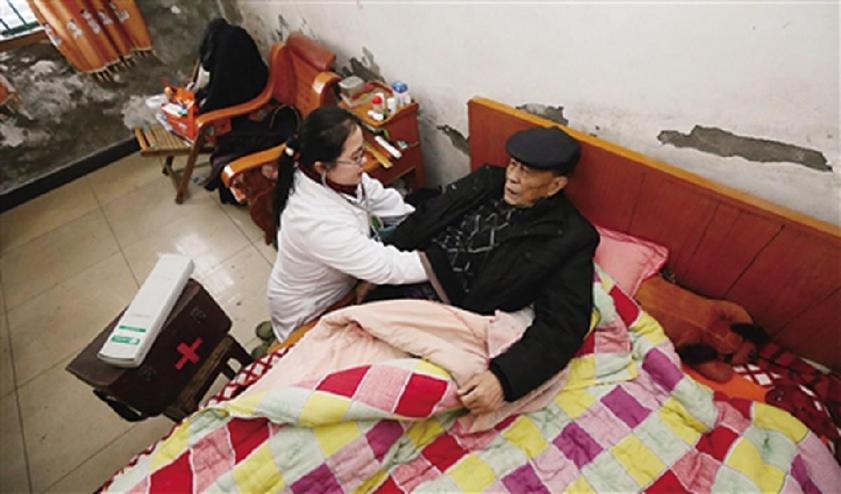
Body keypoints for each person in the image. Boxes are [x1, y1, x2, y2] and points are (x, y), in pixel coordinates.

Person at [367, 126, 599, 415]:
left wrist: (503, 379)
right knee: (341, 344)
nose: (512, 176)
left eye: (527, 172)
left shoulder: (568, 237)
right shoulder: (487, 180)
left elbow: (563, 324)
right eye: (513, 164)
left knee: (385, 388)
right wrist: (379, 265)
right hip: (404, 274)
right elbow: (426, 217)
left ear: (555, 186)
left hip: (443, 315)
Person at [266, 107, 430, 343]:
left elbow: (385, 201)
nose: (364, 161)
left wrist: (427, 223)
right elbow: (386, 267)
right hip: (310, 309)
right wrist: (436, 263)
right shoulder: (312, 221)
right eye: (355, 157)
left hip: (335, 281)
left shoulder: (335, 176)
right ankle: (278, 340)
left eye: (362, 151)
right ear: (322, 167)